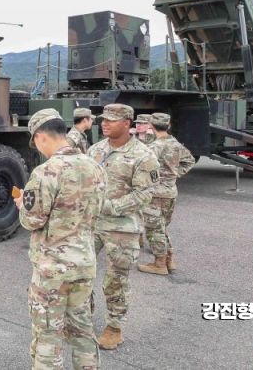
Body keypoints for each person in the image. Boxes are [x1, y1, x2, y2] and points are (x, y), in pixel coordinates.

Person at [16, 108, 104, 370]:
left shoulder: (45, 172)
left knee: (47, 335)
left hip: (52, 271)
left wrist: (22, 205)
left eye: (36, 142)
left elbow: (32, 221)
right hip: (84, 264)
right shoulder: (95, 167)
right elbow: (97, 209)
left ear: (41, 136)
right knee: (83, 331)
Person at [87, 103, 159, 350]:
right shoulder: (95, 150)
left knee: (115, 280)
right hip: (92, 224)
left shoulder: (143, 156)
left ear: (127, 123)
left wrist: (108, 207)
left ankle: (114, 327)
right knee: (79, 273)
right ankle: (83, 318)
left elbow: (144, 194)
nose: (104, 123)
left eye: (111, 120)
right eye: (103, 119)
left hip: (122, 228)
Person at [138, 113, 196, 276]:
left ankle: (159, 264)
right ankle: (169, 260)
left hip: (156, 193)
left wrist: (154, 179)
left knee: (154, 230)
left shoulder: (154, 147)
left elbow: (144, 168)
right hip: (170, 191)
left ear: (151, 126)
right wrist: (173, 175)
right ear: (168, 125)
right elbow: (189, 161)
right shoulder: (174, 143)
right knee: (161, 227)